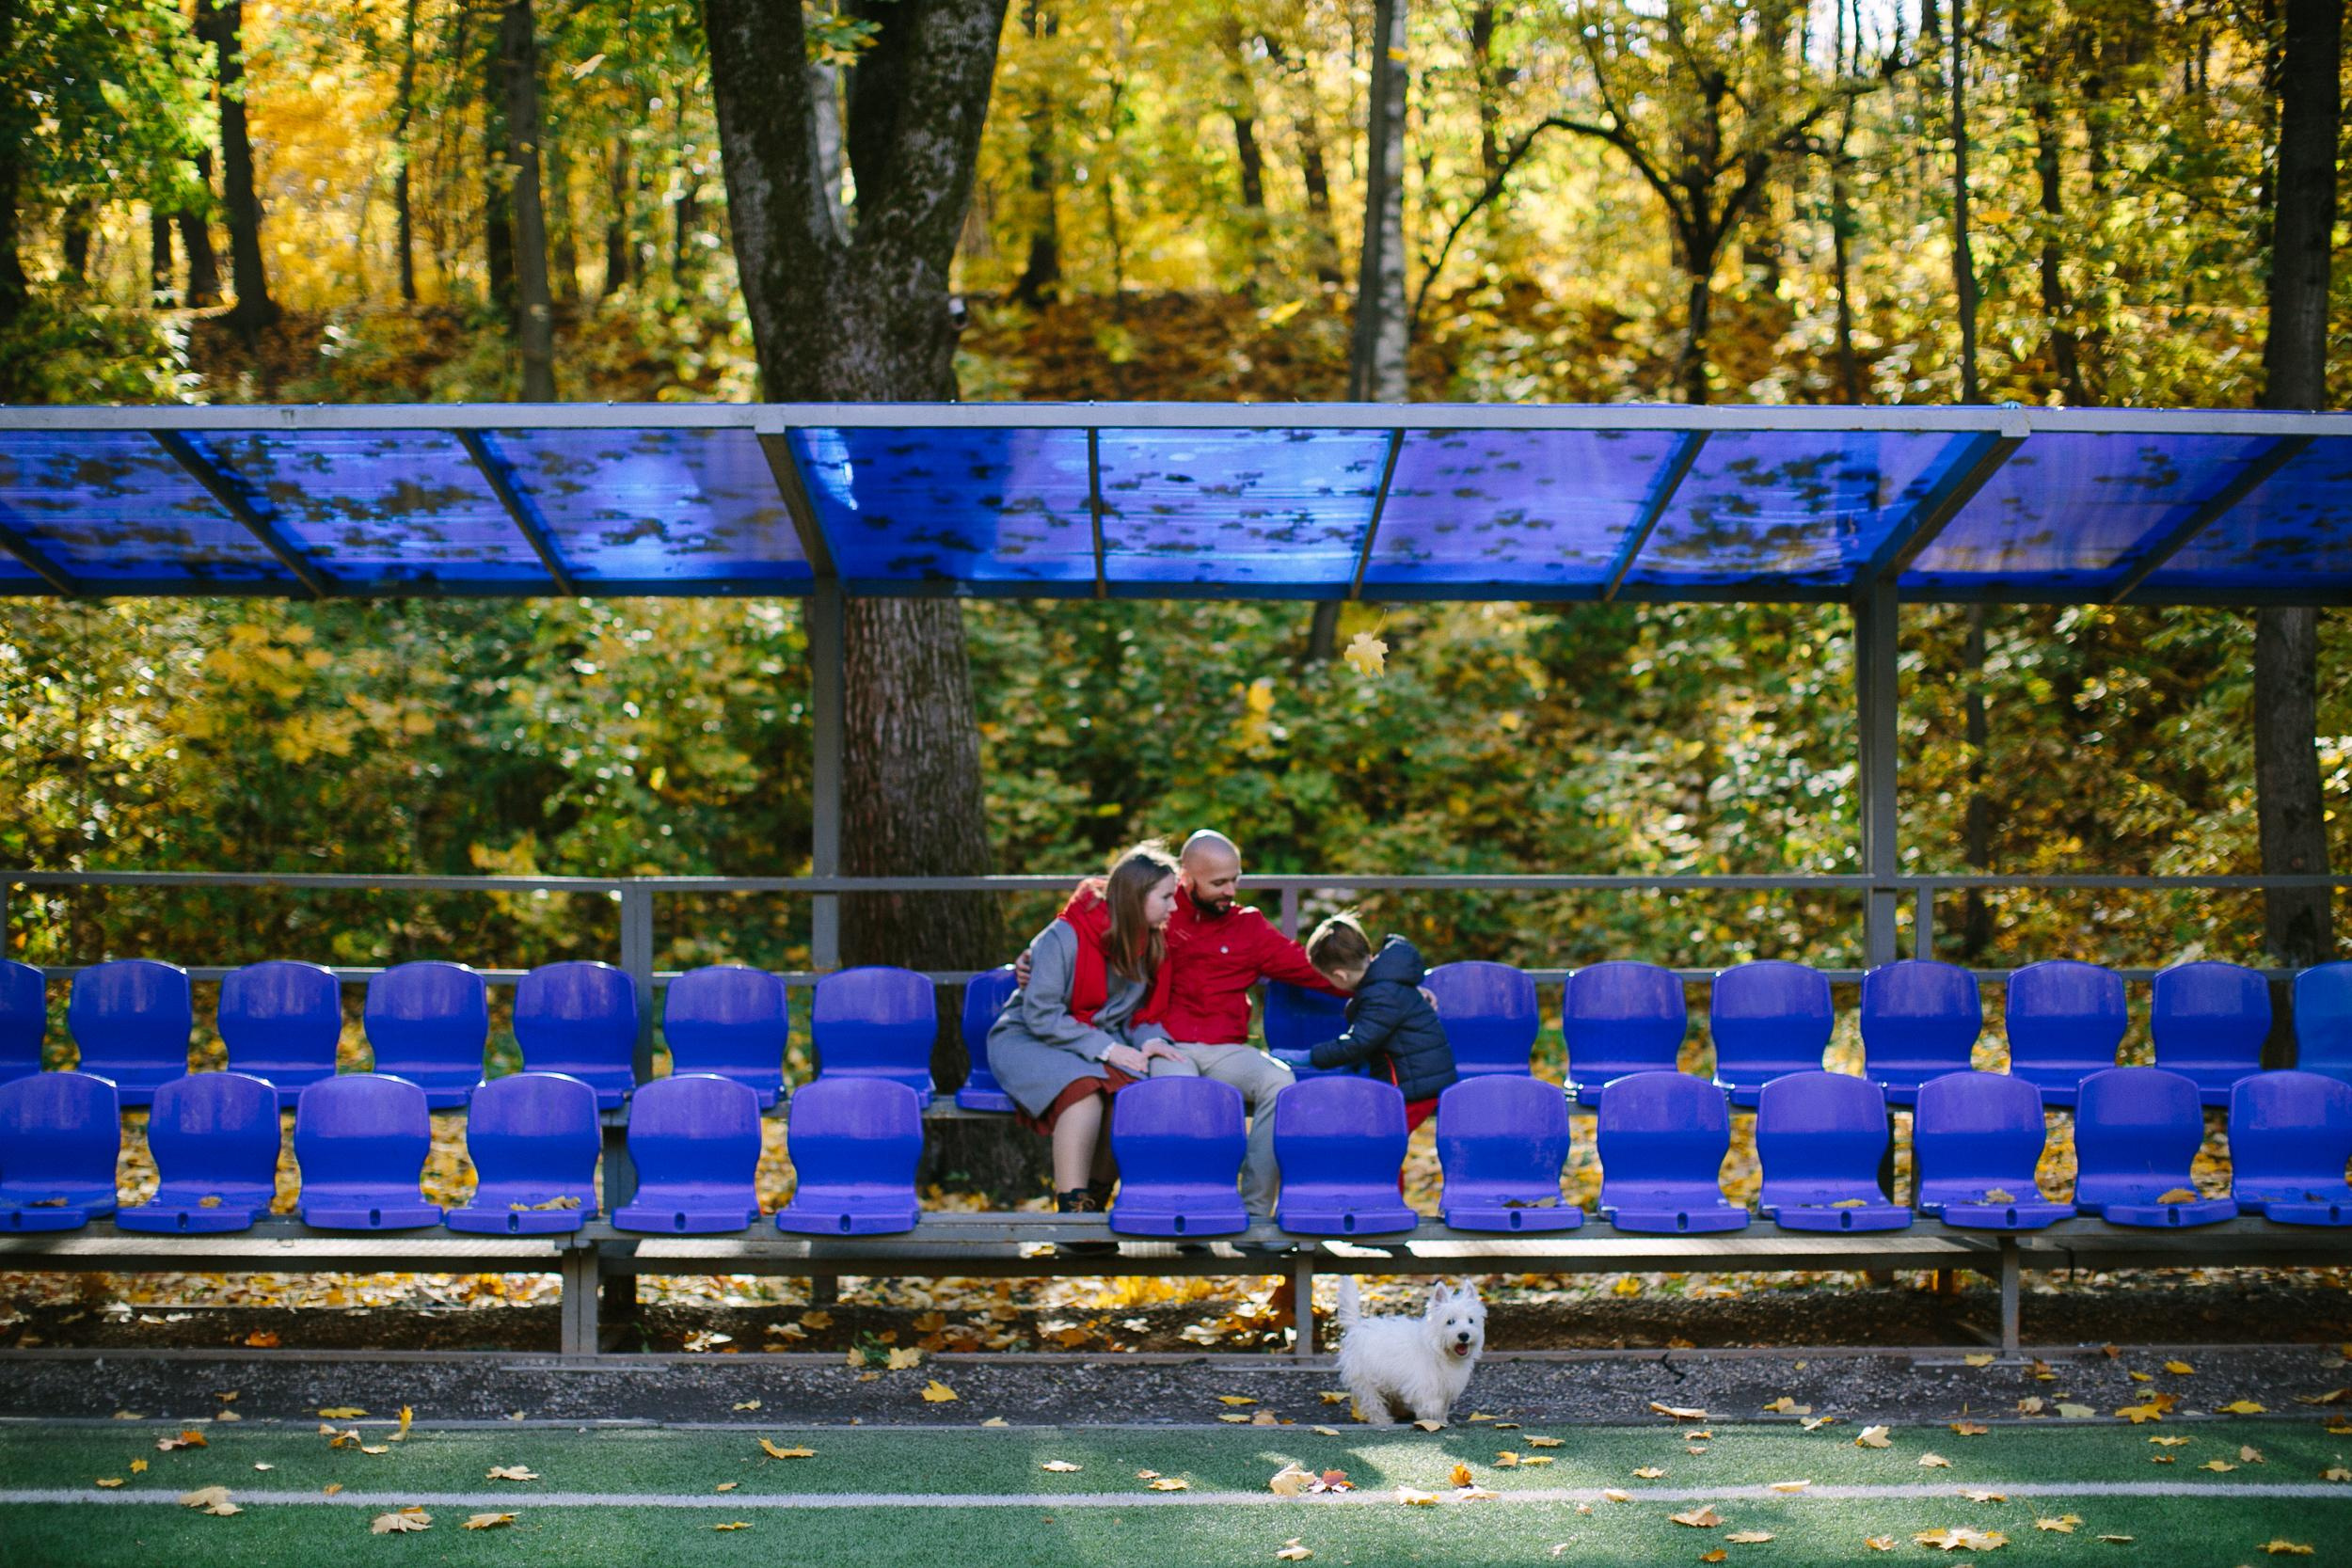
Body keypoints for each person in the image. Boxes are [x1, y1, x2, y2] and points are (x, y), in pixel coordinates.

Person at [986, 843, 1186, 1215]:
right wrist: (1110, 1051)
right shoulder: (1064, 936)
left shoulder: (1148, 939)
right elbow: (1041, 1015)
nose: (1174, 907)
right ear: (1136, 897)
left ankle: (1094, 1206)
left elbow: (1139, 1015)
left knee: (1128, 1096)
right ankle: (1073, 1212)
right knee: (1085, 1092)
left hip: (1092, 1041)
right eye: (1166, 897)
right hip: (1030, 1038)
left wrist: (1151, 1041)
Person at [1296, 911, 1457, 1133]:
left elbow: (1357, 1043)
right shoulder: (1385, 984)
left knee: (1382, 1138)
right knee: (1378, 1136)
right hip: (1412, 1079)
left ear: (1340, 975)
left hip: (1415, 1087)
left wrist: (1309, 1057)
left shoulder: (1380, 995)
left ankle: (1382, 1169)